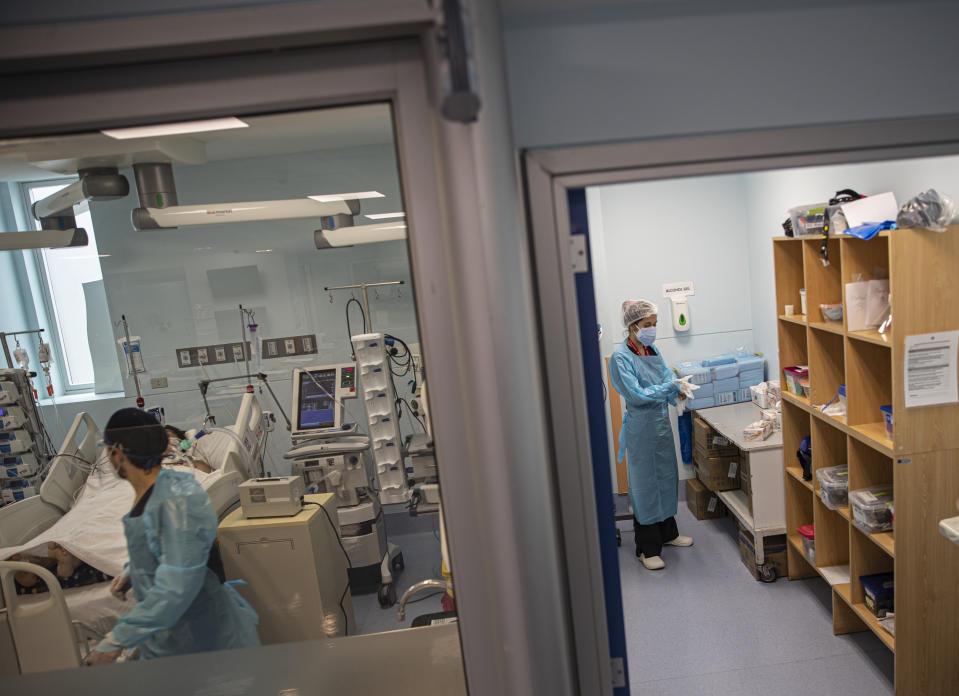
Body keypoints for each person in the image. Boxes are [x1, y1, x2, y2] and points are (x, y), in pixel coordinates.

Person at [87, 408, 260, 664]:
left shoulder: (177, 500)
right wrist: (134, 571)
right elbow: (160, 548)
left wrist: (117, 640)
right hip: (173, 642)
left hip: (209, 643)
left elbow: (177, 585)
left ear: (117, 453)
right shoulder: (153, 495)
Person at [609, 299, 694, 571]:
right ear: (633, 326)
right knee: (645, 484)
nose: (652, 329)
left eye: (655, 324)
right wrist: (668, 387)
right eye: (647, 325)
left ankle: (668, 534)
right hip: (642, 426)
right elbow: (635, 393)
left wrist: (677, 389)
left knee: (666, 477)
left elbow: (665, 376)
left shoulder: (650, 348)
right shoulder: (622, 357)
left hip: (659, 424)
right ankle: (646, 548)